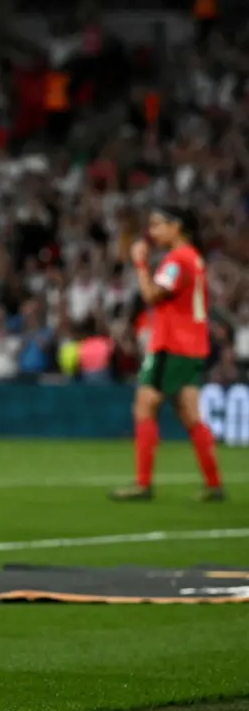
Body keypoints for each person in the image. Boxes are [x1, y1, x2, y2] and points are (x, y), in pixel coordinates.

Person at [110, 206, 223, 502]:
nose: (154, 232)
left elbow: (151, 295)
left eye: (159, 225)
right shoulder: (194, 257)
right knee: (189, 413)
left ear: (177, 227)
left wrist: (140, 264)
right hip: (192, 345)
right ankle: (214, 484)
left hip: (172, 345)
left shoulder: (178, 259)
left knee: (145, 405)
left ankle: (143, 483)